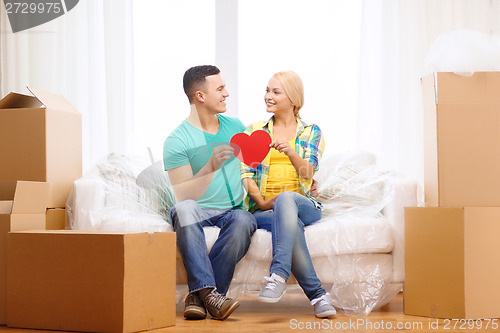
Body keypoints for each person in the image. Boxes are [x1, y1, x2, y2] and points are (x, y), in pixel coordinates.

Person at [163, 65, 257, 321]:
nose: (227, 93)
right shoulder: (177, 140)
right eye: (220, 89)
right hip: (197, 209)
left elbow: (254, 168)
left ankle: (199, 296)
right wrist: (210, 167)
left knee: (244, 220)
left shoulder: (236, 126)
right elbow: (183, 196)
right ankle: (212, 296)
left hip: (231, 211)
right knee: (184, 210)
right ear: (200, 96)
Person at [241, 71, 336, 318]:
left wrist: (292, 152)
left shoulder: (310, 131)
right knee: (289, 223)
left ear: (292, 99)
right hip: (264, 210)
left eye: (275, 92)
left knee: (286, 198)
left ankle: (278, 274)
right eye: (267, 90)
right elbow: (245, 173)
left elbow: (309, 171)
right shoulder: (256, 130)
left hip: (304, 205)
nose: (267, 96)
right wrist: (261, 201)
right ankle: (318, 296)